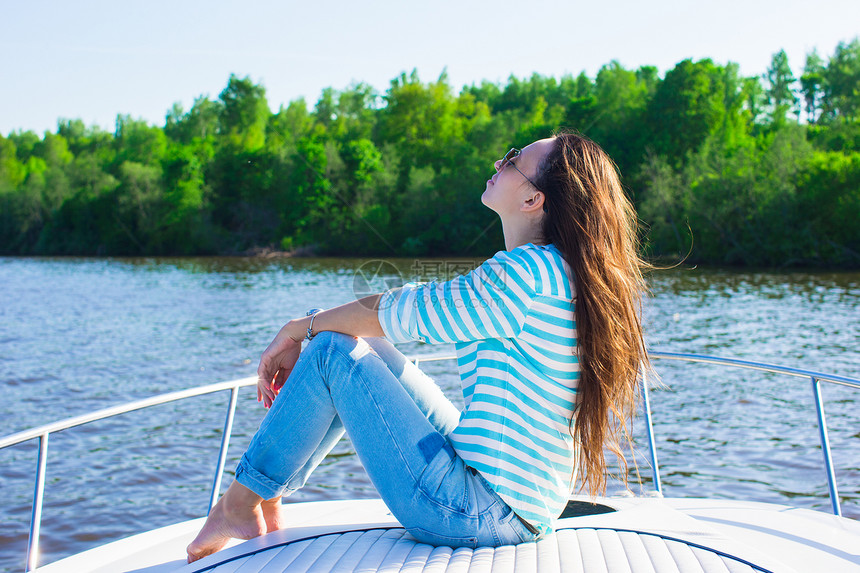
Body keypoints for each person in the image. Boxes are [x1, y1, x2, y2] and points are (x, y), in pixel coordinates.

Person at [186, 132, 649, 563]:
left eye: (513, 160)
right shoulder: (559, 271)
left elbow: (398, 311)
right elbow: (395, 314)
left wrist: (295, 329)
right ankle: (265, 491)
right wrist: (309, 327)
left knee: (329, 350)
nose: (498, 161)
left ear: (533, 199)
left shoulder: (524, 276)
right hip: (518, 500)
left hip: (479, 512)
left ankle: (242, 501)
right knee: (351, 341)